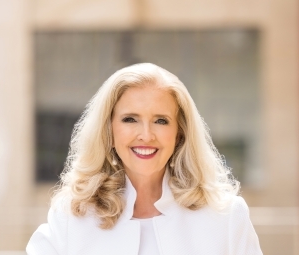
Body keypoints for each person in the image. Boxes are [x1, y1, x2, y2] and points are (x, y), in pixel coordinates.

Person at [26, 63, 263, 255]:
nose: (146, 135)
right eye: (130, 119)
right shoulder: (72, 216)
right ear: (109, 131)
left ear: (179, 133)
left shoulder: (227, 217)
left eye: (161, 120)